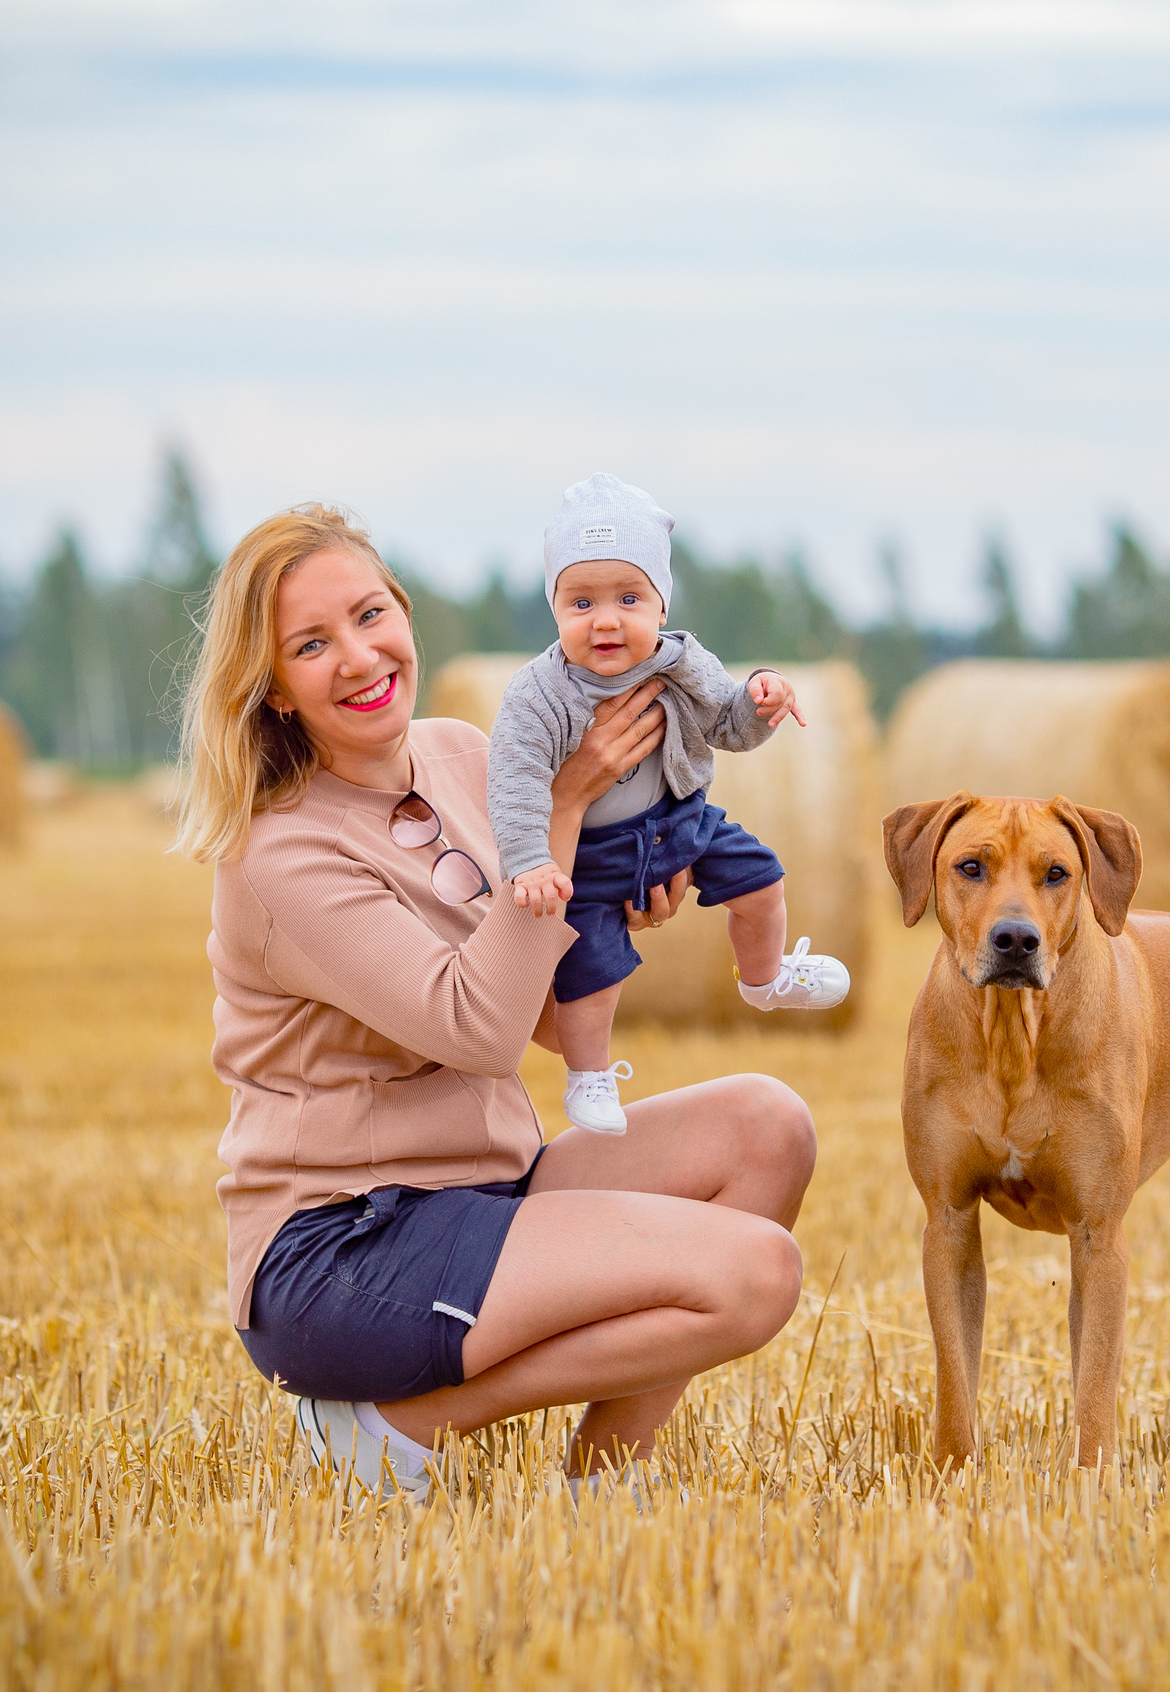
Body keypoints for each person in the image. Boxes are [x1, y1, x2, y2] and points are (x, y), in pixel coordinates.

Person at [174, 503, 815, 1501]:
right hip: (347, 1248)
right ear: (274, 692)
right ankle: (397, 1423)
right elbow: (474, 1029)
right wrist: (562, 815)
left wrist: (613, 915)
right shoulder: (280, 854)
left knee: (769, 1126)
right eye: (310, 644)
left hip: (489, 1193)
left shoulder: (467, 757)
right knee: (754, 1276)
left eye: (370, 613)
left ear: (405, 614)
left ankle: (603, 1483)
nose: (357, 656)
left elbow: (549, 1024)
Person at [488, 473, 850, 1132]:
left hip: (681, 823)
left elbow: (729, 725)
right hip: (591, 859)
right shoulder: (535, 694)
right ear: (556, 609)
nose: (605, 619)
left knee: (763, 879)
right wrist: (529, 864)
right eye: (580, 602)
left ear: (661, 604)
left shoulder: (682, 663)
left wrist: (761, 699)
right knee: (594, 973)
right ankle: (589, 1077)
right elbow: (512, 782)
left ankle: (764, 979)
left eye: (629, 597)